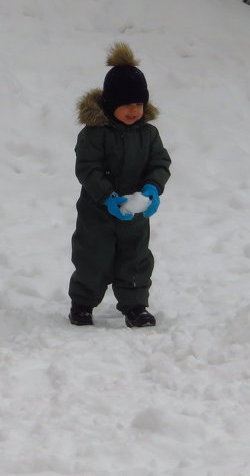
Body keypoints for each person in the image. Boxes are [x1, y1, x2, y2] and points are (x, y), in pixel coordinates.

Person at [69, 43, 171, 328]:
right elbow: (87, 169)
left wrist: (153, 188)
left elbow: (159, 163)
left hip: (134, 214)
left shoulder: (149, 135)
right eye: (126, 105)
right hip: (98, 212)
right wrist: (109, 197)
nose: (133, 111)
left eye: (138, 104)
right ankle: (83, 304)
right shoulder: (93, 135)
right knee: (93, 258)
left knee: (135, 259)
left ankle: (135, 305)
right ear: (111, 104)